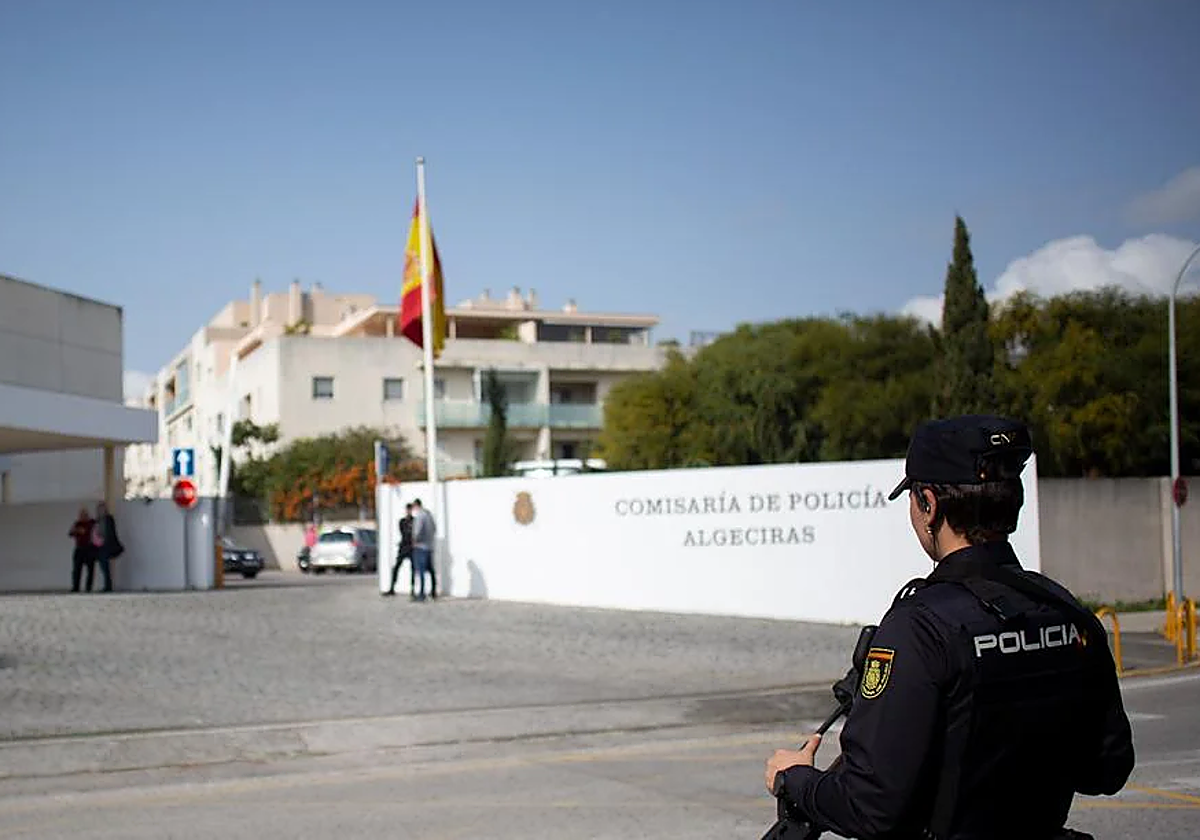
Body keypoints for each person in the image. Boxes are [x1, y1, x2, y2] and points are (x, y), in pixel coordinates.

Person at [764, 415, 1134, 840]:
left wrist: (795, 779)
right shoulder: (1067, 612)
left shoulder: (919, 628)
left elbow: (870, 808)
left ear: (929, 504)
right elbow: (1107, 770)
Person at [91, 501, 123, 593]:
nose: (101, 511)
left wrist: (105, 541)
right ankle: (107, 586)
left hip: (105, 546)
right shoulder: (97, 520)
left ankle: (108, 586)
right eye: (99, 509)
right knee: (103, 566)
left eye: (102, 509)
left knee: (105, 567)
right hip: (99, 546)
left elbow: (110, 533)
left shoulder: (108, 519)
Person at [385, 503, 414, 597]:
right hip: (404, 547)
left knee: (413, 569)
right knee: (396, 567)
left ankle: (412, 589)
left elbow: (412, 533)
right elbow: (404, 532)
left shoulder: (414, 521)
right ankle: (392, 587)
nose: (408, 511)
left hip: (411, 547)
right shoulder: (402, 521)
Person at [411, 498, 437, 601]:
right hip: (429, 546)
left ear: (416, 505)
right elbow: (434, 529)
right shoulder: (429, 515)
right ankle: (433, 591)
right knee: (431, 570)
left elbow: (417, 530)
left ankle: (422, 594)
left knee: (421, 570)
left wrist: (415, 540)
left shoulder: (420, 516)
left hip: (420, 546)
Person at [68, 507, 96, 592]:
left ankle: (88, 588)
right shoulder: (77, 524)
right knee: (76, 570)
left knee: (90, 569)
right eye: (81, 515)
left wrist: (84, 531)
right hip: (79, 549)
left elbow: (94, 532)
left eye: (84, 514)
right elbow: (70, 533)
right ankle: (75, 587)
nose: (82, 516)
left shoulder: (92, 523)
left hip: (89, 548)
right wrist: (76, 530)